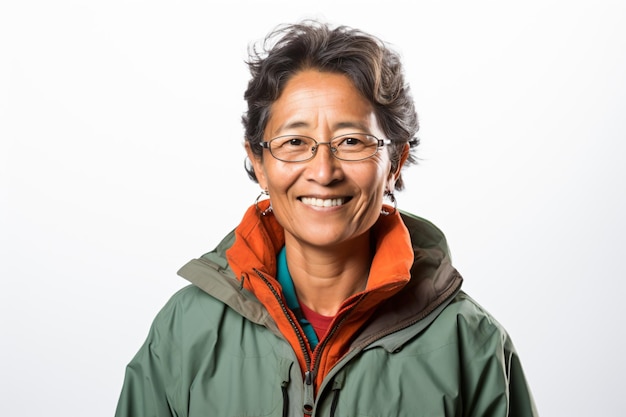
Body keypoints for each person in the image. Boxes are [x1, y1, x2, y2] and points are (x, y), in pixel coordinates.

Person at [115, 20, 537, 417]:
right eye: (295, 141)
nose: (323, 171)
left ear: (395, 163)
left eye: (351, 141)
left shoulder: (471, 345)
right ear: (258, 162)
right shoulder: (187, 330)